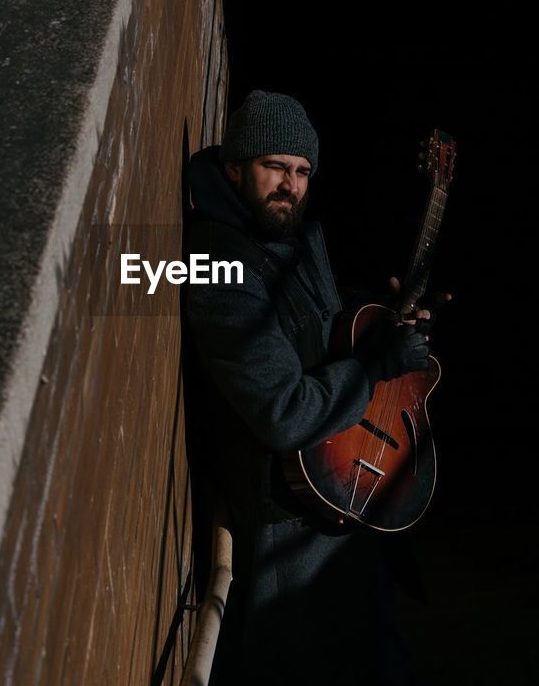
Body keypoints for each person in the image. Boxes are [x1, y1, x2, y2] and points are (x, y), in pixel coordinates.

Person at [182, 90, 441, 685]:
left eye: (301, 172)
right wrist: (377, 367)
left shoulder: (298, 242)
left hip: (344, 494)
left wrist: (391, 328)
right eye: (275, 166)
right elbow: (283, 412)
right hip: (285, 523)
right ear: (236, 167)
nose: (289, 185)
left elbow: (324, 333)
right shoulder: (217, 265)